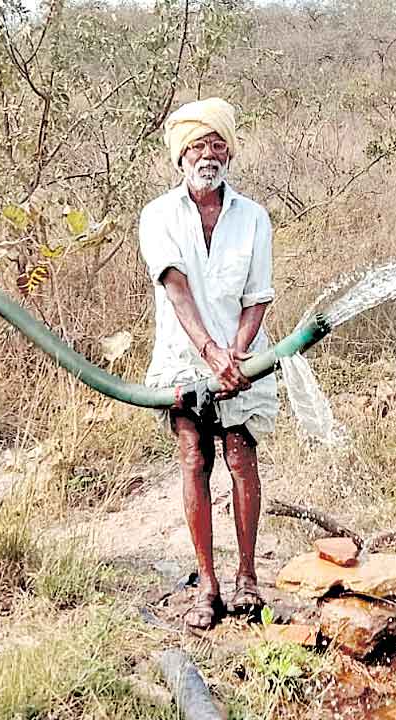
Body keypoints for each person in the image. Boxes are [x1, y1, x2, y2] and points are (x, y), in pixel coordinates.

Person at [138, 97, 277, 630]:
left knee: (241, 458)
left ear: (230, 152)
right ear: (181, 155)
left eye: (218, 144)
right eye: (197, 145)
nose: (208, 154)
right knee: (194, 459)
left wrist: (236, 355)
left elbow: (258, 297)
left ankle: (247, 578)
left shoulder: (253, 217)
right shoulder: (158, 216)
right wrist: (211, 355)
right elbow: (175, 288)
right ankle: (208, 585)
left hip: (243, 359)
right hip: (184, 359)